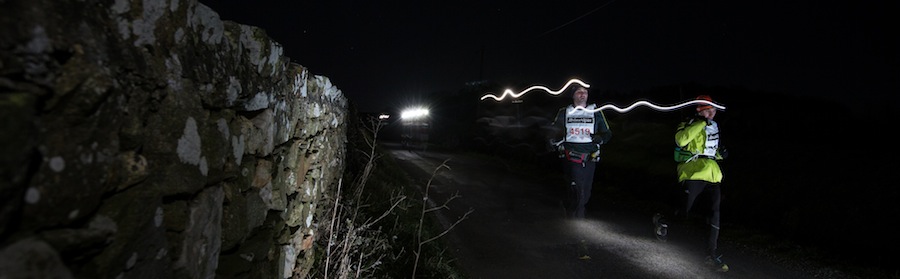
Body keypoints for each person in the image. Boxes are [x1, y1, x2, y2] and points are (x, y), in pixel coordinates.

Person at [653, 95, 730, 272]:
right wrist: (701, 123)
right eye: (708, 109)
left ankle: (711, 255)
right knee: (684, 210)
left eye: (713, 109)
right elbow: (681, 140)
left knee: (714, 213)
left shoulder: (714, 127)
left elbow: (709, 150)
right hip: (692, 173)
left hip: (712, 174)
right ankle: (662, 221)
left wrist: (720, 154)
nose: (712, 112)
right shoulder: (688, 124)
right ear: (699, 110)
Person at [549, 85, 612, 219]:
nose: (582, 94)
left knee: (585, 193)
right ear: (573, 95)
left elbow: (607, 133)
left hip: (590, 158)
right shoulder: (564, 112)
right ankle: (577, 222)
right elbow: (554, 131)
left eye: (585, 92)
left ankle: (569, 208)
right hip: (570, 157)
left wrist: (600, 138)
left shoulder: (596, 111)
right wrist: (553, 139)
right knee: (577, 190)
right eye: (579, 92)